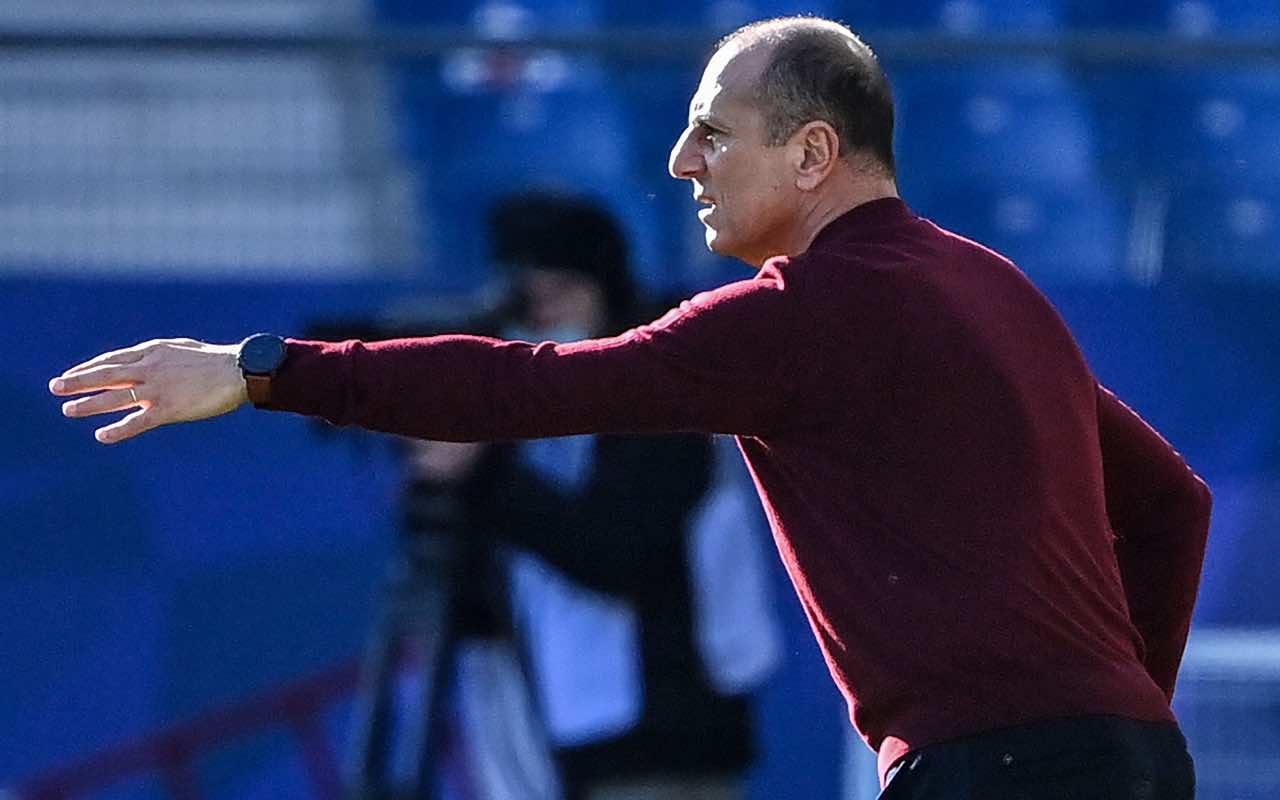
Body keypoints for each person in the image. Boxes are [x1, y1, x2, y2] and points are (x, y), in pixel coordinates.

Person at [51, 16, 1211, 799]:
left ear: (812, 152)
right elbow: (1172, 505)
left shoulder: (796, 316)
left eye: (712, 131)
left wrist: (264, 368)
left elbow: (528, 387)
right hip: (1132, 758)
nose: (679, 161)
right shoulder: (994, 285)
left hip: (994, 766)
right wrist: (1114, 719)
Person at [398, 191, 779, 800]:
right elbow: (471, 588)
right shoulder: (521, 408)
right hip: (553, 741)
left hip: (664, 741)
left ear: (606, 293)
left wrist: (483, 467)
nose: (543, 318)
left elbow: (614, 550)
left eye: (560, 294)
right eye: (527, 302)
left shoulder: (667, 392)